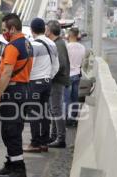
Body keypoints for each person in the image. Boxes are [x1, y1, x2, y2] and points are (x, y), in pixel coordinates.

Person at [0, 13, 33, 177]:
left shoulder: (13, 46)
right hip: (23, 90)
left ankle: (18, 171)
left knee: (11, 132)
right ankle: (11, 164)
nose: (3, 33)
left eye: (4, 30)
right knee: (10, 131)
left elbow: (7, 72)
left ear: (12, 28)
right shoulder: (27, 43)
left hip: (13, 92)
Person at [23, 18, 59, 153]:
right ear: (44, 30)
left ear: (32, 30)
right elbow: (56, 65)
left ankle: (35, 143)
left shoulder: (32, 44)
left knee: (33, 113)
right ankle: (44, 143)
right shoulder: (52, 43)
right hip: (47, 82)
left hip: (35, 83)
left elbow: (29, 66)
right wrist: (49, 77)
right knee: (44, 113)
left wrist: (28, 79)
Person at [45, 20, 70, 148]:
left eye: (46, 29)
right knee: (53, 109)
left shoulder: (58, 44)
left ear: (49, 30)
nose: (45, 30)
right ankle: (54, 136)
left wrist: (49, 76)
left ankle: (61, 139)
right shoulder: (56, 43)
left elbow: (61, 64)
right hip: (56, 80)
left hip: (57, 81)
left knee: (56, 109)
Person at [65, 27, 86, 126]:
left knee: (66, 98)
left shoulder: (66, 47)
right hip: (77, 74)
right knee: (75, 98)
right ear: (77, 35)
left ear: (69, 35)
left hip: (68, 75)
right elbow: (83, 62)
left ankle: (66, 119)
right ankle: (73, 119)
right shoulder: (82, 47)